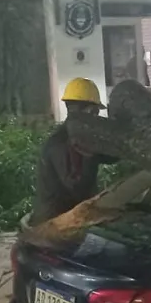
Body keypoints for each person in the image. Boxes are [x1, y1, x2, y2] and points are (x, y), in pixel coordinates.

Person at [30, 78, 117, 227]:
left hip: (71, 218)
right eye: (96, 112)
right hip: (57, 224)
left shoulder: (78, 137)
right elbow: (77, 188)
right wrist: (90, 155)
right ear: (90, 111)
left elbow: (110, 155)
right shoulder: (61, 143)